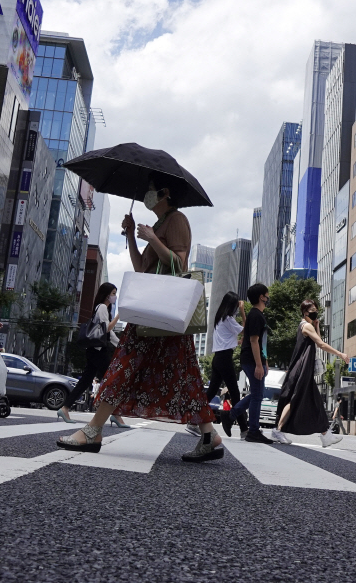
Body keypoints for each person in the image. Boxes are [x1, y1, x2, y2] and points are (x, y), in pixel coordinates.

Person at [57, 178, 222, 462]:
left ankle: (94, 430)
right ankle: (210, 436)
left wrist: (154, 239)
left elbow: (180, 264)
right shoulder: (158, 225)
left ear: (165, 193)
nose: (146, 193)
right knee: (184, 376)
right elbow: (140, 267)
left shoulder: (177, 219)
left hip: (162, 311)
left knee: (125, 365)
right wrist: (132, 235)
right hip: (156, 312)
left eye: (151, 188)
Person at [271, 300, 348, 447]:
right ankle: (278, 429)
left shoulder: (307, 326)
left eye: (316, 309)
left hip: (303, 368)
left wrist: (317, 326)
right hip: (302, 368)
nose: (315, 311)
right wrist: (340, 354)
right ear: (305, 312)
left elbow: (316, 342)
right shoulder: (306, 326)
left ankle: (325, 434)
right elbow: (321, 344)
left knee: (315, 400)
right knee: (295, 399)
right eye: (312, 309)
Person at [58, 282, 124, 425]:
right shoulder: (101, 307)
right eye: (113, 293)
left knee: (85, 382)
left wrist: (120, 346)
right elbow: (106, 329)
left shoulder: (105, 309)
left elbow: (109, 334)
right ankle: (116, 414)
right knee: (111, 380)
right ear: (106, 294)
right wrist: (119, 316)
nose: (115, 296)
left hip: (96, 351)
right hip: (98, 352)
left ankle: (65, 408)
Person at [204, 291, 248, 437]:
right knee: (235, 393)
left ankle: (193, 419)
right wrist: (242, 310)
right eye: (236, 305)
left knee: (211, 392)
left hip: (218, 358)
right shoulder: (228, 319)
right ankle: (244, 429)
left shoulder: (219, 318)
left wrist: (237, 342)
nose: (237, 308)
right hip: (224, 359)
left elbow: (226, 339)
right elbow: (246, 330)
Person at [234, 283, 274, 444]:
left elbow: (260, 342)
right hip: (252, 360)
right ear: (261, 297)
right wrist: (259, 364)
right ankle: (253, 431)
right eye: (267, 295)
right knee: (257, 395)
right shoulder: (256, 315)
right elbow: (253, 340)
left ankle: (233, 414)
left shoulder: (256, 315)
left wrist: (264, 362)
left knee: (257, 394)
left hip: (254, 359)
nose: (268, 297)